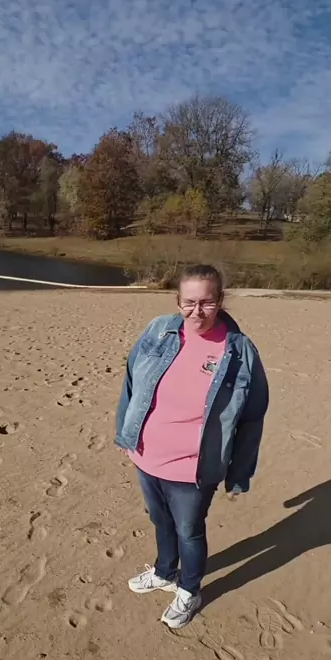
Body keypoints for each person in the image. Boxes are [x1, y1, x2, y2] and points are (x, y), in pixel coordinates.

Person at [115, 264, 269, 629]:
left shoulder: (240, 351)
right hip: (147, 456)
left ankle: (189, 590)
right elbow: (132, 380)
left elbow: (252, 417)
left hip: (195, 468)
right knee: (159, 520)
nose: (197, 311)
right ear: (177, 301)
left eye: (206, 302)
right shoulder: (159, 330)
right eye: (189, 302)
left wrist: (239, 474)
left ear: (220, 300)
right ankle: (165, 571)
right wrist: (126, 433)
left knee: (189, 530)